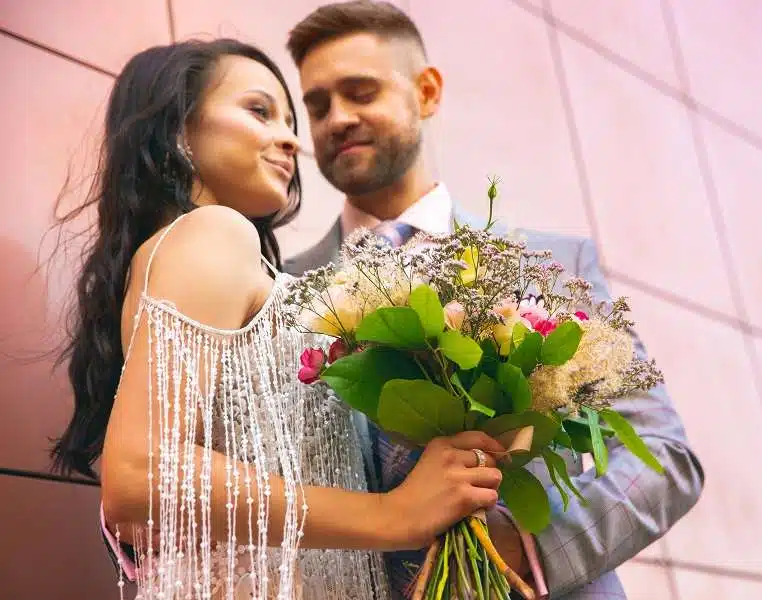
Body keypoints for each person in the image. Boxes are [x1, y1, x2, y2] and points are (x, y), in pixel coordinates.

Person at [50, 38, 507, 600]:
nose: (291, 137)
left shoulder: (203, 256)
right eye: (258, 110)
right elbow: (140, 474)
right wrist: (393, 514)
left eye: (289, 119)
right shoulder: (213, 233)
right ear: (178, 131)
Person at [283, 2, 705, 598]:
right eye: (318, 105)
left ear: (426, 93)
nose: (337, 119)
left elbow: (662, 456)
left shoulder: (556, 265)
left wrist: (522, 549)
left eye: (361, 92)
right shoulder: (285, 293)